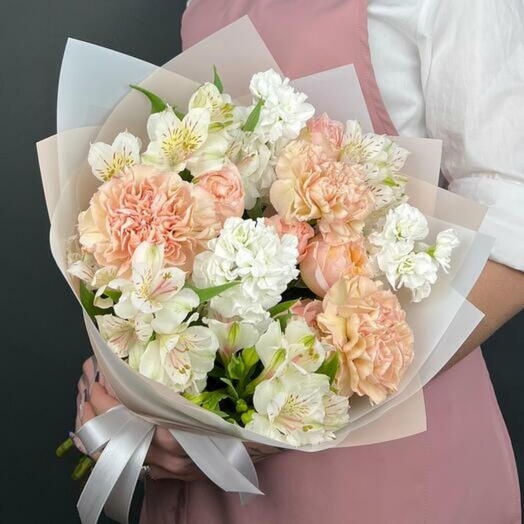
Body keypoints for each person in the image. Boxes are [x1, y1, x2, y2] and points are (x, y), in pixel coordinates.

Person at [77, 0, 524, 522]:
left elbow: (514, 222)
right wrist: (136, 372)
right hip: (205, 453)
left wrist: (306, 403)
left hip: (379, 463)